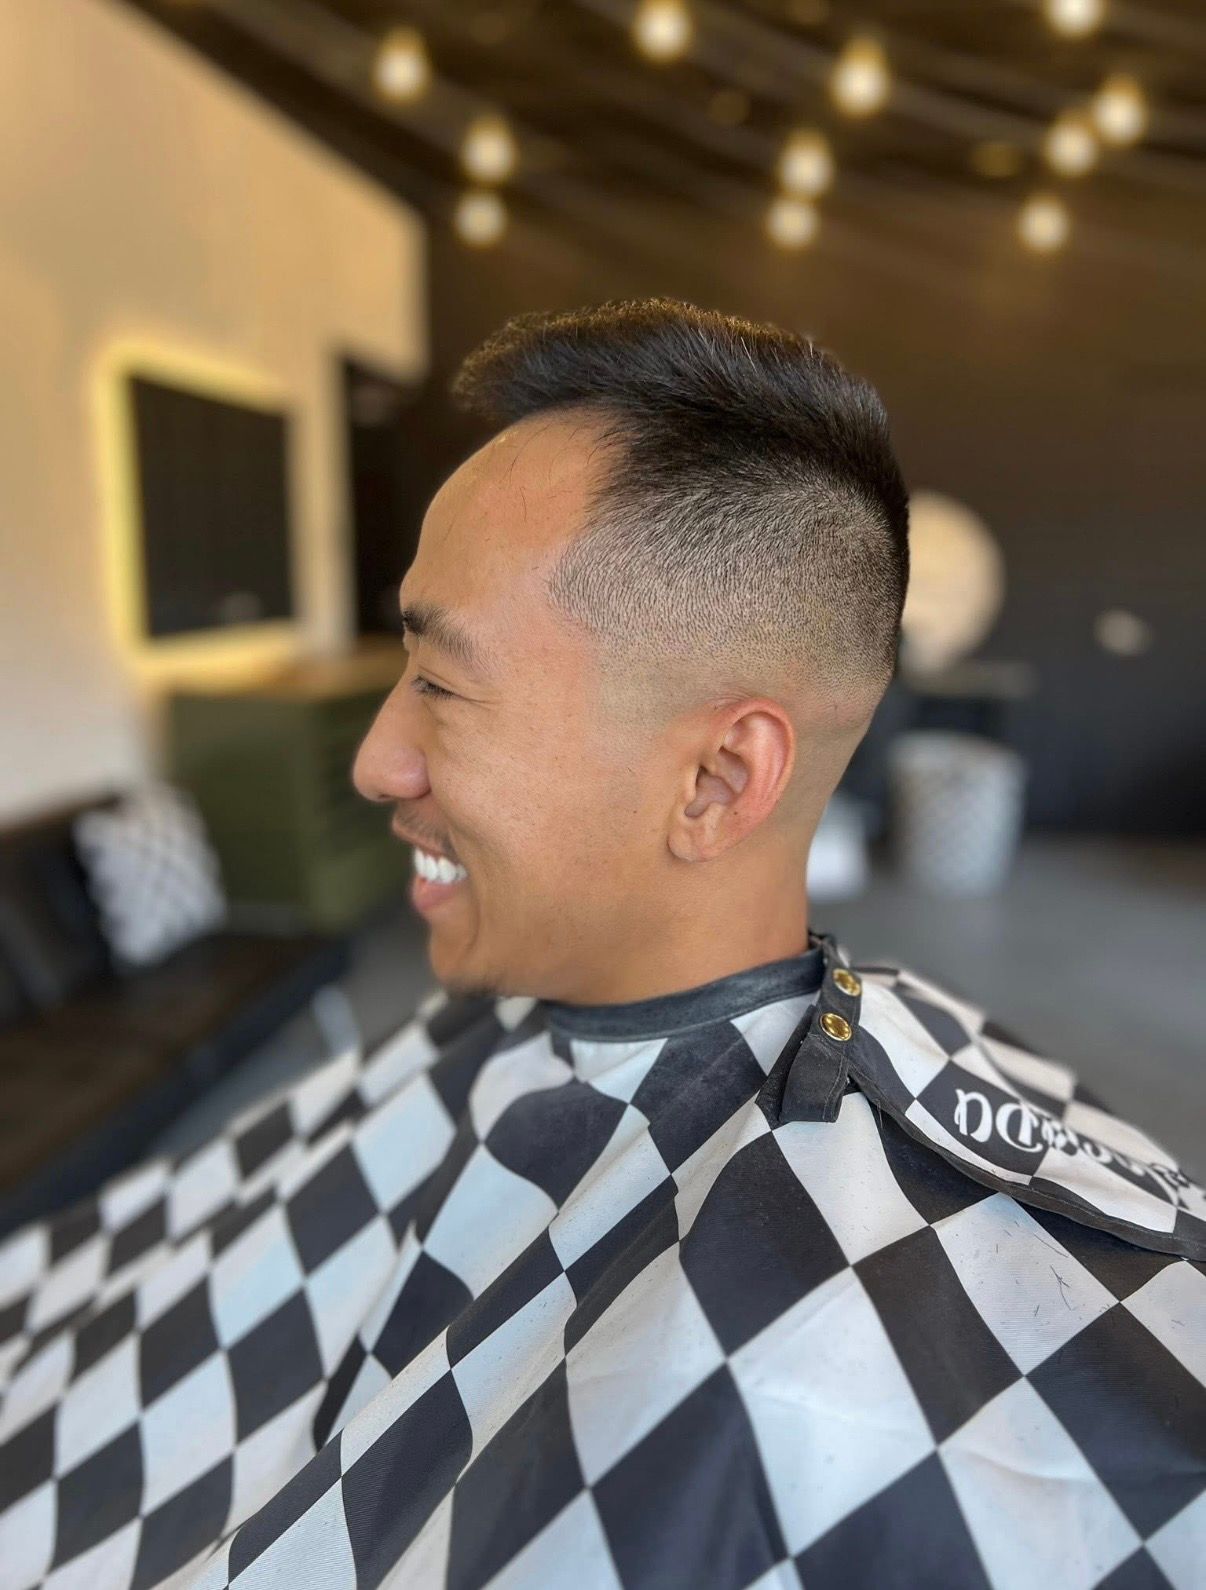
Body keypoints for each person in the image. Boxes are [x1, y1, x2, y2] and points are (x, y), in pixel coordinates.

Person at [1, 298, 1202, 1590]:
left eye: (442, 685)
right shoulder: (504, 1009)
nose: (373, 758)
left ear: (715, 779)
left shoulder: (965, 1340)